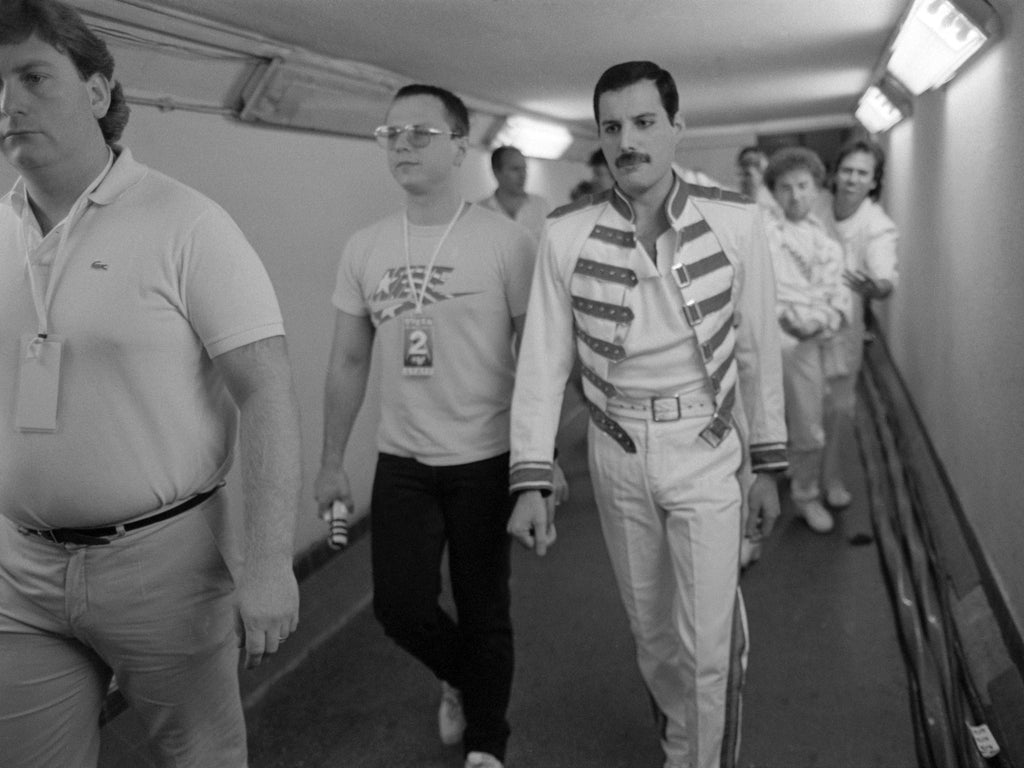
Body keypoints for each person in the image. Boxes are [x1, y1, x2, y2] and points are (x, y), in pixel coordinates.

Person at [0, 2, 302, 766]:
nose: (9, 102)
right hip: (19, 569)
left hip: (162, 563)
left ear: (98, 93)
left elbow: (265, 391)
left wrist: (267, 563)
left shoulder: (185, 224)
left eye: (32, 76)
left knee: (199, 755)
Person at [506, 61, 788, 768]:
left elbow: (758, 354)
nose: (627, 140)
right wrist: (532, 477)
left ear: (676, 128)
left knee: (706, 643)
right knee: (652, 631)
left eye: (643, 123)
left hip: (708, 441)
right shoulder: (566, 236)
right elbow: (542, 359)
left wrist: (770, 467)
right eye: (611, 127)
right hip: (616, 447)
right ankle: (681, 733)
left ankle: (704, 759)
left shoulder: (737, 224)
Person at [314, 84, 537, 768]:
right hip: (403, 461)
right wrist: (331, 460)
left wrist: (537, 466)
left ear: (461, 146)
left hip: (484, 457)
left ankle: (487, 744)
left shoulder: (505, 242)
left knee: (483, 607)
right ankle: (467, 680)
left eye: (420, 132)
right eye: (391, 134)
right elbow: (350, 358)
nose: (402, 144)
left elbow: (535, 360)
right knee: (401, 607)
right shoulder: (367, 247)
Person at [762, 147, 852, 533]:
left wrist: (817, 325)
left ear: (818, 189)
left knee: (808, 425)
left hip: (805, 347)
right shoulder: (762, 234)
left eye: (803, 186)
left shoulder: (828, 246)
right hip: (763, 342)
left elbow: (839, 299)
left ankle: (806, 494)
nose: (795, 196)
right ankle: (754, 511)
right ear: (774, 192)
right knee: (758, 426)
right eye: (785, 188)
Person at [819, 138, 899, 508]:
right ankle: (798, 465)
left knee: (838, 408)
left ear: (873, 181)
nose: (852, 179)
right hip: (794, 321)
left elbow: (884, 278)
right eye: (847, 170)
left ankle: (831, 479)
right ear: (835, 174)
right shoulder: (814, 205)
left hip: (841, 330)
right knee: (797, 401)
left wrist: (876, 287)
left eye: (862, 173)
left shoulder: (877, 225)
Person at [477, 144, 552, 241]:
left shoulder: (541, 206)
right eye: (515, 169)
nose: (523, 175)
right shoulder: (481, 211)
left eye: (524, 169)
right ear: (496, 172)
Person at [736, 145, 778, 212]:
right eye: (745, 163)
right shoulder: (731, 199)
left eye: (756, 164)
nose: (750, 169)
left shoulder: (775, 202)